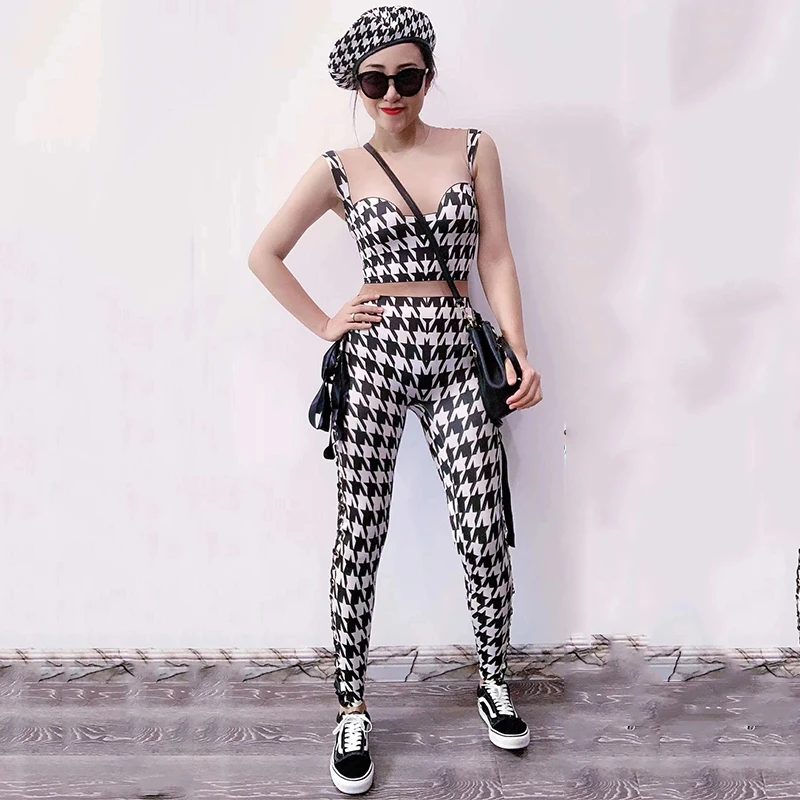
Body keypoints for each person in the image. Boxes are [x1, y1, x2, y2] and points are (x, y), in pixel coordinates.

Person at [248, 6, 543, 795]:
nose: (391, 93)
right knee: (360, 529)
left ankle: (493, 679)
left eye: (407, 77)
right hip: (374, 358)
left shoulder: (474, 149)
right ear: (357, 83)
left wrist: (519, 350)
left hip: (455, 354)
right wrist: (325, 323)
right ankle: (351, 707)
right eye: (374, 80)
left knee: (483, 523)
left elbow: (496, 255)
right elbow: (265, 253)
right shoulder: (340, 168)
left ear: (428, 78)